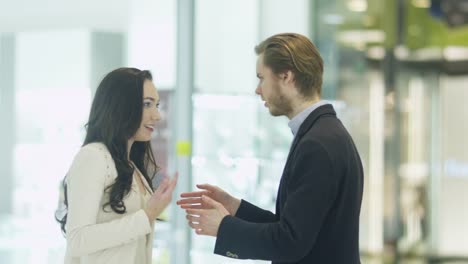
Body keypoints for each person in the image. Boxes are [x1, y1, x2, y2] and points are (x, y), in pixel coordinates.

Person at [177, 33, 364, 263]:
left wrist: (224, 227)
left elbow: (290, 242)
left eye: (261, 78)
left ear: (286, 76)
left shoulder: (317, 144)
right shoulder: (324, 132)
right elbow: (294, 227)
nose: (258, 89)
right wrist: (235, 208)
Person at [55, 67, 178, 264]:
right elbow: (77, 240)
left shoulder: (132, 166)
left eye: (157, 105)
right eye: (147, 104)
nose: (157, 115)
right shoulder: (93, 157)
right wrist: (147, 215)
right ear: (121, 106)